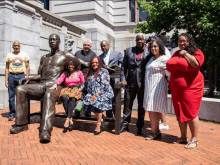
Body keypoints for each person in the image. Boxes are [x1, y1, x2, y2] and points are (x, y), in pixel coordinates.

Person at [10, 34, 89, 142]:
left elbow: (85, 63)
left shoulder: (66, 55)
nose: (52, 41)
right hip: (42, 84)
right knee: (20, 89)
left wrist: (102, 65)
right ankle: (21, 124)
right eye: (50, 40)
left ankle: (45, 131)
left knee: (49, 94)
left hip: (56, 86)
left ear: (59, 42)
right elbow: (40, 75)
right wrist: (28, 79)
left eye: (54, 39)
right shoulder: (44, 58)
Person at [166, 33, 204, 149]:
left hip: (192, 87)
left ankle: (194, 138)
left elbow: (196, 63)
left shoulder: (197, 52)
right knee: (179, 112)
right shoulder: (176, 53)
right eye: (180, 41)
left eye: (184, 41)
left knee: (191, 112)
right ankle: (183, 137)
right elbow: (169, 65)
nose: (182, 43)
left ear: (189, 41)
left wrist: (186, 54)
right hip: (177, 89)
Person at [120, 33, 152, 135]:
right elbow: (123, 68)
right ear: (135, 41)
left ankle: (140, 127)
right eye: (137, 39)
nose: (139, 41)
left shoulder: (149, 52)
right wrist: (123, 79)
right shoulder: (129, 51)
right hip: (130, 83)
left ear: (144, 41)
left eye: (141, 39)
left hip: (143, 84)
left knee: (141, 106)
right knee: (127, 104)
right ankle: (125, 125)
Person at [79, 56, 114, 135]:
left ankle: (98, 125)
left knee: (96, 101)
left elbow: (104, 85)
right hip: (92, 93)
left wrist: (96, 95)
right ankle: (101, 118)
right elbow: (84, 83)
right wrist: (79, 89)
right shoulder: (89, 72)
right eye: (93, 62)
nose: (94, 64)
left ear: (99, 63)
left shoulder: (103, 71)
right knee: (86, 101)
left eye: (96, 62)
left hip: (104, 93)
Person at [143, 39, 171, 140]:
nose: (153, 48)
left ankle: (153, 132)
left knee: (153, 109)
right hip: (149, 87)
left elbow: (169, 73)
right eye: (152, 47)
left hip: (158, 87)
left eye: (155, 46)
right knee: (152, 109)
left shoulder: (165, 59)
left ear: (160, 47)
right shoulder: (152, 59)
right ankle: (157, 131)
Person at [50, 57, 85, 133]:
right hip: (68, 89)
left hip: (76, 89)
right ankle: (70, 118)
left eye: (72, 64)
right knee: (63, 96)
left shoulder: (79, 72)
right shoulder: (65, 73)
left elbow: (83, 83)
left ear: (75, 65)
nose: (70, 66)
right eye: (69, 65)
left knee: (72, 98)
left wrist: (80, 89)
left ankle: (67, 119)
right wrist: (56, 84)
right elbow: (60, 80)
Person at [5, 41, 30, 121]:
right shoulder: (9, 55)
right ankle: (12, 114)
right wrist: (6, 79)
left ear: (20, 46)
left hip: (21, 76)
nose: (16, 47)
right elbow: (7, 68)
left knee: (21, 96)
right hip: (11, 76)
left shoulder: (24, 55)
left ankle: (21, 113)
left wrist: (27, 77)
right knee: (11, 97)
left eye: (18, 46)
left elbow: (27, 67)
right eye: (15, 46)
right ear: (13, 46)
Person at [99, 40, 123, 120]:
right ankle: (109, 117)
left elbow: (123, 66)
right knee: (107, 99)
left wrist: (122, 78)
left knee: (115, 100)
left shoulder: (117, 54)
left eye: (104, 45)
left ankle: (117, 118)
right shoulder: (100, 57)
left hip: (115, 81)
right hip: (105, 82)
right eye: (102, 46)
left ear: (108, 45)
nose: (103, 47)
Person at [75, 39, 97, 117]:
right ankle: (77, 111)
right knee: (77, 91)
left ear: (90, 46)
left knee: (88, 92)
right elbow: (74, 63)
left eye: (88, 45)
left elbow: (93, 65)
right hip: (78, 77)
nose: (86, 46)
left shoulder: (93, 54)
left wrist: (81, 62)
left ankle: (87, 111)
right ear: (83, 45)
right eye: (85, 45)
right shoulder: (77, 53)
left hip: (89, 77)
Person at [156, 34, 171, 131]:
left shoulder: (165, 51)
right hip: (161, 79)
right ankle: (161, 121)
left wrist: (167, 79)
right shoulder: (163, 50)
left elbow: (167, 67)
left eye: (157, 40)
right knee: (158, 102)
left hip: (162, 80)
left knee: (160, 102)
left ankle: (164, 122)